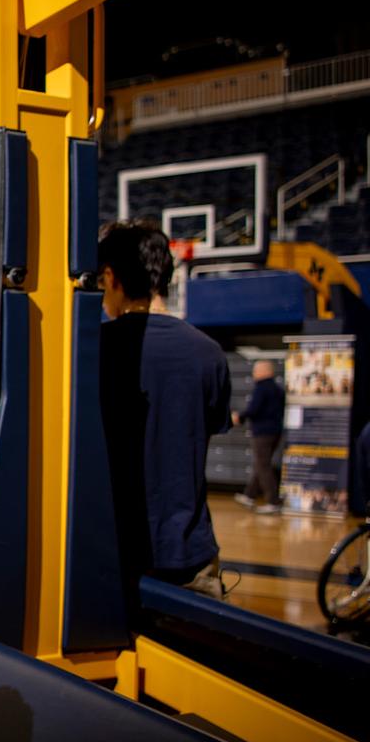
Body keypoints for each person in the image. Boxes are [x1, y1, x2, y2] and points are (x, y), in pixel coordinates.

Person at [97, 220, 232, 600]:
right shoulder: (210, 353)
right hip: (191, 555)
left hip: (111, 556)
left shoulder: (92, 354)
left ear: (110, 277)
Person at [233, 359, 284, 514]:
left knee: (263, 466)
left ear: (265, 371)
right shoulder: (278, 389)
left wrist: (239, 417)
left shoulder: (261, 388)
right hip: (275, 432)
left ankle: (273, 501)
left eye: (256, 370)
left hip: (262, 433)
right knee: (262, 464)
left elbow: (254, 409)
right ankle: (249, 495)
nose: (253, 373)